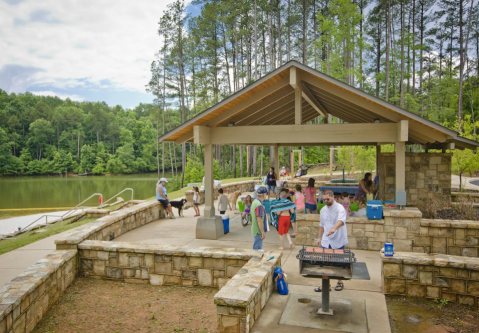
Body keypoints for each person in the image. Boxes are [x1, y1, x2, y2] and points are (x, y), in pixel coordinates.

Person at [315, 189, 348, 292]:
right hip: (326, 240)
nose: (326, 201)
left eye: (327, 199)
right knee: (324, 262)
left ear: (333, 197)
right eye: (324, 199)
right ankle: (326, 284)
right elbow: (321, 225)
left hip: (338, 239)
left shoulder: (340, 208)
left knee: (338, 262)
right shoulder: (323, 210)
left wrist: (334, 229)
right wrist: (319, 238)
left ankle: (339, 281)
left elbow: (341, 221)